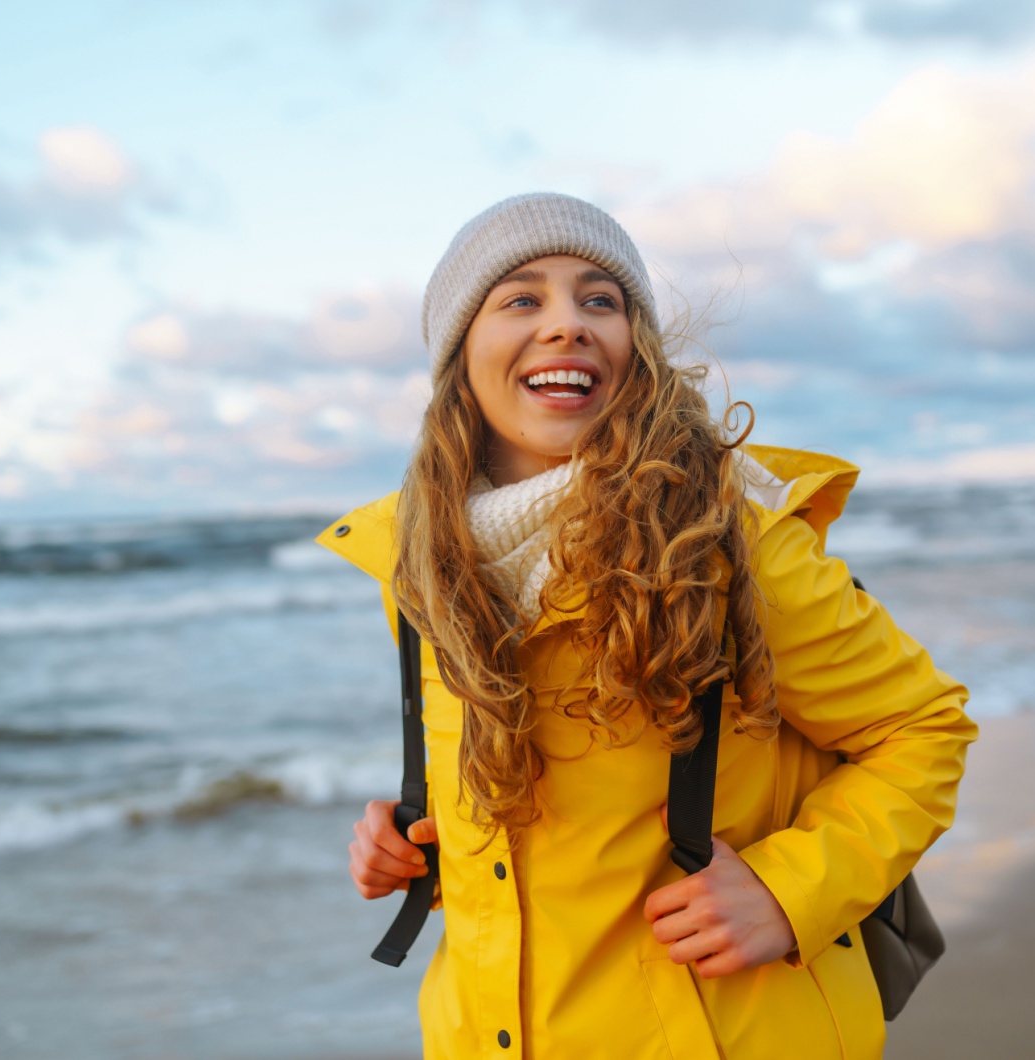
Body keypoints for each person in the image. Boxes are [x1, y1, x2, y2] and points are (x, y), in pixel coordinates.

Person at [317, 192, 977, 1059]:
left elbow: (921, 729)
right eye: (522, 298)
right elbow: (546, 830)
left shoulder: (731, 540)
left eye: (601, 300)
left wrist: (790, 894)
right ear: (459, 355)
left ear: (639, 352)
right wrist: (421, 849)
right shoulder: (419, 567)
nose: (568, 324)